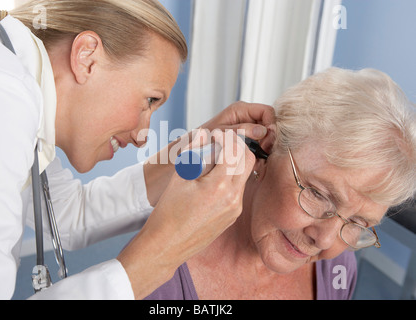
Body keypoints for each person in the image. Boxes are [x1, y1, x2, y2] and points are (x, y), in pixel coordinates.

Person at [0, 0, 274, 299]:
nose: (143, 136)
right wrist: (166, 247)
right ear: (87, 57)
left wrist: (203, 140)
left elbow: (71, 214)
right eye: (150, 100)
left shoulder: (14, 92)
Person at [145, 67, 416, 300]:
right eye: (319, 195)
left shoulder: (338, 269)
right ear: (269, 147)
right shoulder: (155, 271)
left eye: (358, 223)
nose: (324, 240)